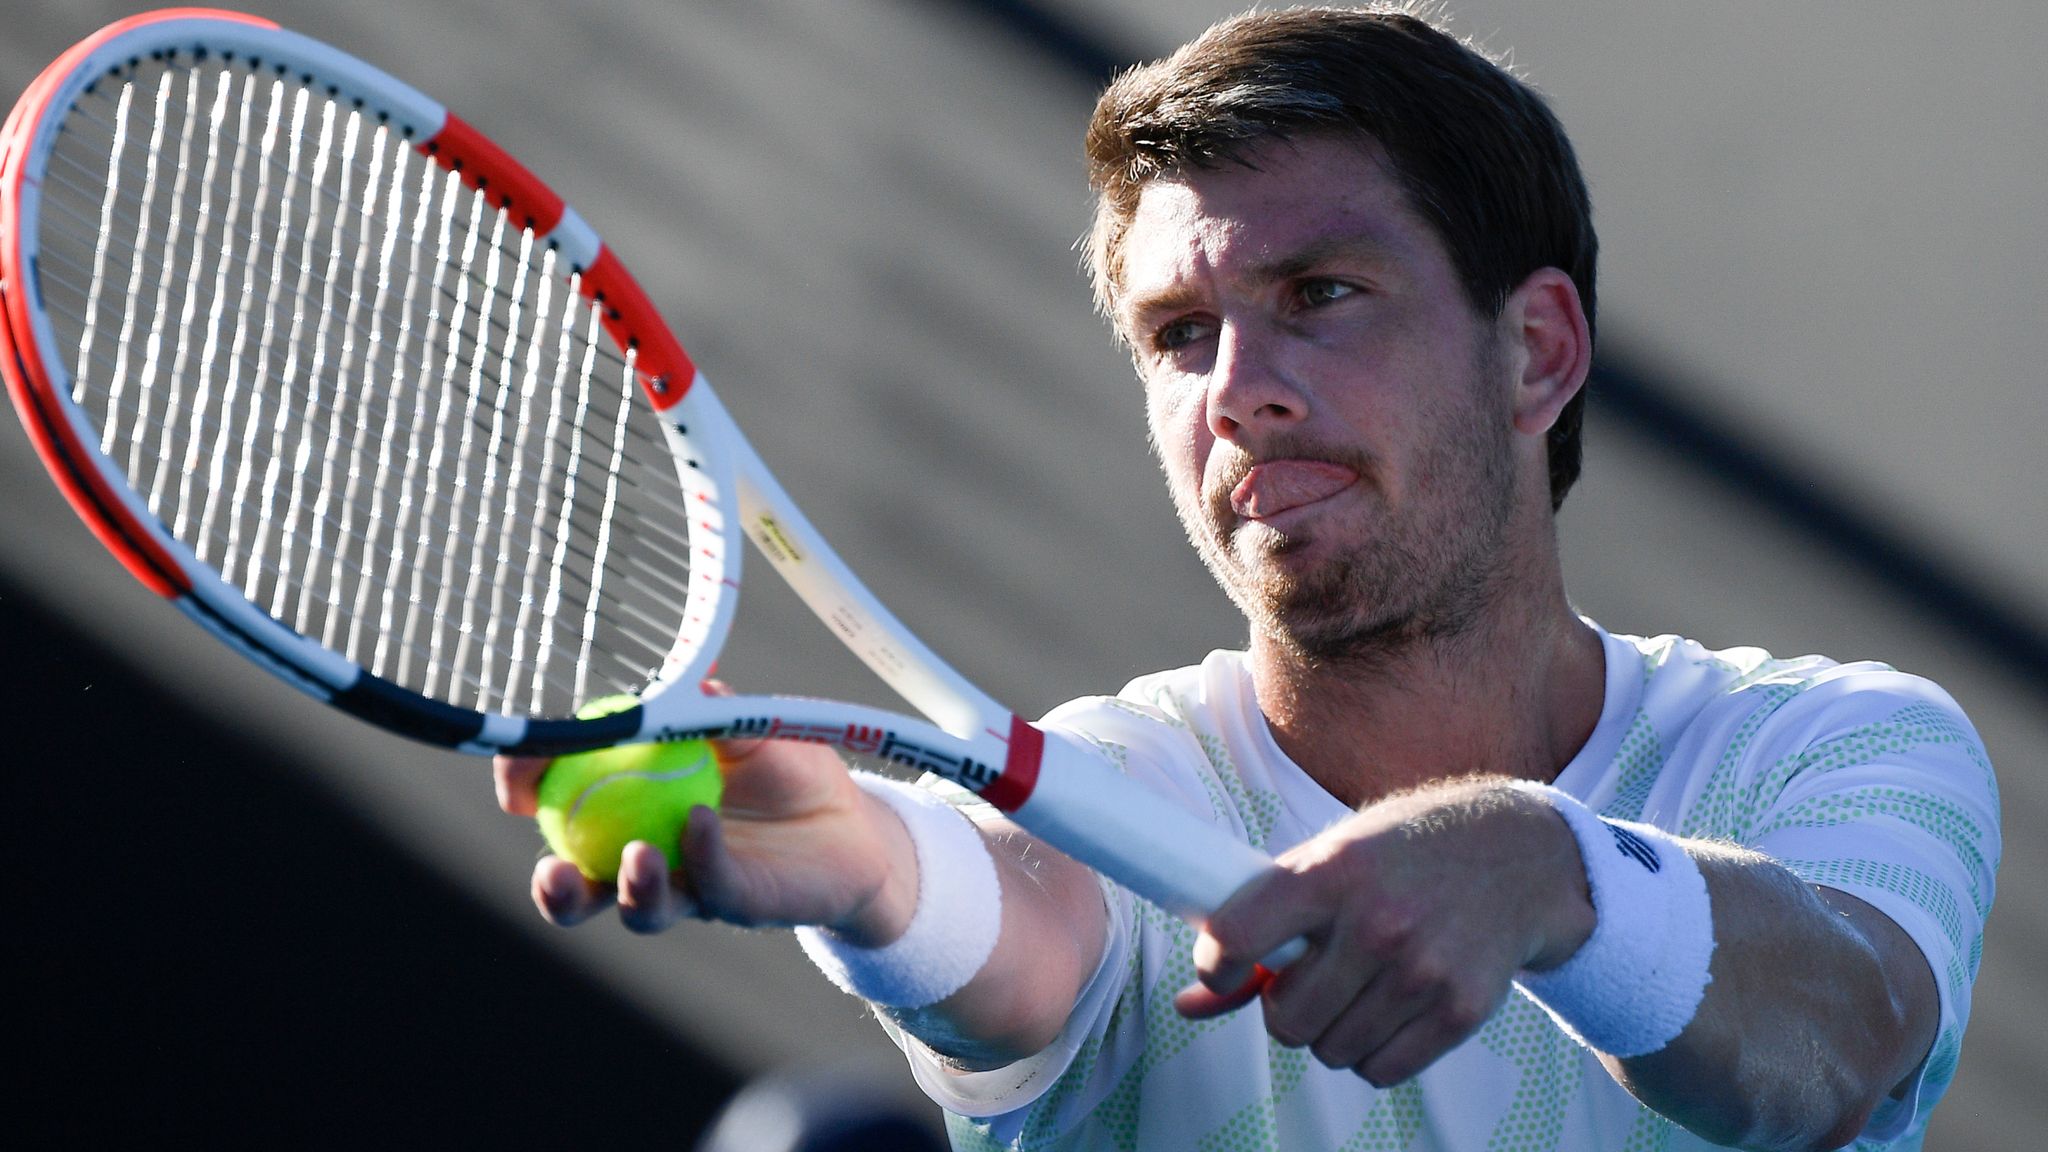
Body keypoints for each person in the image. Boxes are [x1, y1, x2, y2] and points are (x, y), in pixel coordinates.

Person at [494, 7, 1999, 1150]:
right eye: (1180, 335)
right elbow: (1001, 921)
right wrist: (877, 878)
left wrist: (1547, 873)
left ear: (1536, 351)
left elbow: (1837, 1038)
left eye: (1321, 296)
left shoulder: (1840, 748)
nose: (1240, 390)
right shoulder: (1110, 788)